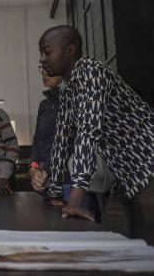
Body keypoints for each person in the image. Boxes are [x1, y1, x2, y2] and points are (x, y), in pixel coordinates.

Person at [39, 24, 154, 253]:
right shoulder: (68, 91)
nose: (43, 59)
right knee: (111, 248)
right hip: (127, 180)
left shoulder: (92, 71)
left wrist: (74, 201)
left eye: (47, 51)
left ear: (69, 50)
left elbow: (88, 133)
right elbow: (62, 142)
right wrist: (55, 193)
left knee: (149, 258)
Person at [29, 68, 100, 220]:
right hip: (47, 182)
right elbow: (37, 140)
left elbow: (73, 140)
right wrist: (33, 169)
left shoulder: (76, 98)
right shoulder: (44, 105)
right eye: (42, 69)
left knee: (80, 235)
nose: (44, 73)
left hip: (71, 182)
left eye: (49, 68)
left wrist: (45, 169)